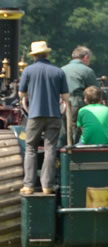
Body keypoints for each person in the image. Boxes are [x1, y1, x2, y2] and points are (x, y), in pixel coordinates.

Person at [18, 40, 68, 195]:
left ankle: (29, 185)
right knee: (50, 149)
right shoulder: (58, 71)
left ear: (34, 56)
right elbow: (66, 96)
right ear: (47, 54)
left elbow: (21, 94)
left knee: (31, 148)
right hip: (54, 115)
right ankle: (47, 186)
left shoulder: (28, 71)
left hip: (35, 115)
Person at [61, 46, 96, 116]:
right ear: (86, 57)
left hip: (62, 106)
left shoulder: (61, 69)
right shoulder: (87, 70)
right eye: (89, 59)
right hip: (78, 105)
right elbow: (95, 91)